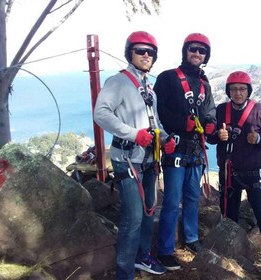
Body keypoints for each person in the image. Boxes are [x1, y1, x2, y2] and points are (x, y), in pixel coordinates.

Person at [94, 31, 175, 280]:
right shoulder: (118, 82)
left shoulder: (148, 88)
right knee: (132, 219)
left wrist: (166, 139)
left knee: (149, 211)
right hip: (127, 160)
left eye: (150, 52)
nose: (146, 55)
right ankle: (124, 273)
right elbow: (101, 113)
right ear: (130, 52)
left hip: (149, 159)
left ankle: (142, 258)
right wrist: (133, 134)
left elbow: (154, 122)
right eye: (141, 50)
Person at [207, 71, 261, 277]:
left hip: (253, 173)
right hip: (229, 173)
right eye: (234, 89)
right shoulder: (221, 110)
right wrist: (217, 135)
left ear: (248, 91)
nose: (238, 93)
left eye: (242, 89)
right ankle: (229, 255)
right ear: (228, 91)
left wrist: (259, 138)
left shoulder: (259, 111)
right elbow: (210, 136)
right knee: (229, 217)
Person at [153, 32, 216, 270]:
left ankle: (191, 239)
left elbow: (210, 111)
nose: (197, 54)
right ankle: (165, 250)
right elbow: (158, 112)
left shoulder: (204, 84)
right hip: (176, 149)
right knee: (171, 200)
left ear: (205, 56)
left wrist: (209, 123)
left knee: (192, 197)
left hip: (196, 151)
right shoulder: (168, 78)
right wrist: (183, 123)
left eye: (201, 51)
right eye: (193, 49)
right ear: (185, 50)